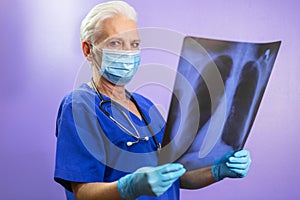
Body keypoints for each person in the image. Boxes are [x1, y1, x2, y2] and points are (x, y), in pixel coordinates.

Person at [54, 1, 252, 200]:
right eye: (115, 43)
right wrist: (129, 187)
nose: (128, 52)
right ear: (88, 50)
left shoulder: (146, 106)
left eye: (134, 44)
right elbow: (83, 193)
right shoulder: (79, 105)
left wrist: (217, 170)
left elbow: (178, 176)